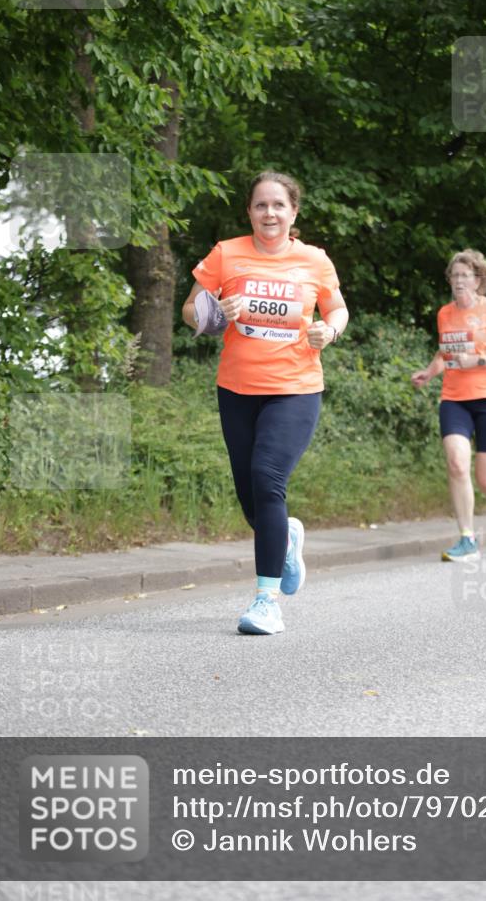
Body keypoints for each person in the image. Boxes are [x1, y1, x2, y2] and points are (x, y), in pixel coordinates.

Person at [183, 171, 349, 633]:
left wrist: (330, 330)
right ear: (249, 212)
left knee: (267, 477)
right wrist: (215, 313)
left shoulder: (314, 260)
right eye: (261, 205)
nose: (269, 213)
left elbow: (337, 308)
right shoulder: (226, 253)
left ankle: (265, 602)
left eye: (278, 205)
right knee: (250, 496)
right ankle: (287, 540)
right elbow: (190, 309)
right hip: (237, 388)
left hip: (295, 387)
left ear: (293, 212)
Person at [411, 249, 486, 562]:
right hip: (454, 399)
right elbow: (445, 353)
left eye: (465, 275)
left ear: (478, 280)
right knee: (457, 463)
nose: (459, 281)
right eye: (454, 275)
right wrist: (429, 372)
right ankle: (467, 539)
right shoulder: (445, 314)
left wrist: (479, 360)